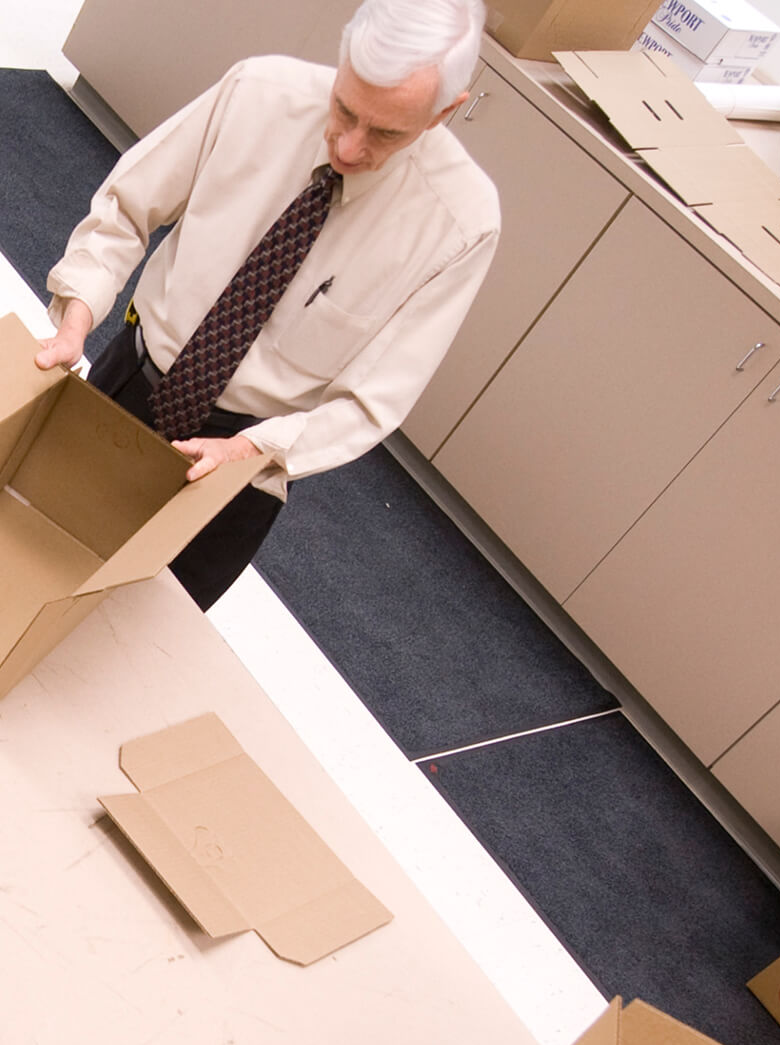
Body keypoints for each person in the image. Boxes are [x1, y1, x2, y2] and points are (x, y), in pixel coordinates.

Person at [35, 0, 500, 610]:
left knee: (131, 635)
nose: (351, 147)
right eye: (345, 109)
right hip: (132, 381)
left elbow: (370, 402)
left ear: (447, 111)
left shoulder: (459, 224)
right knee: (31, 548)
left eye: (387, 132)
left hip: (242, 460)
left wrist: (251, 451)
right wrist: (78, 316)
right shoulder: (258, 92)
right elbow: (127, 207)